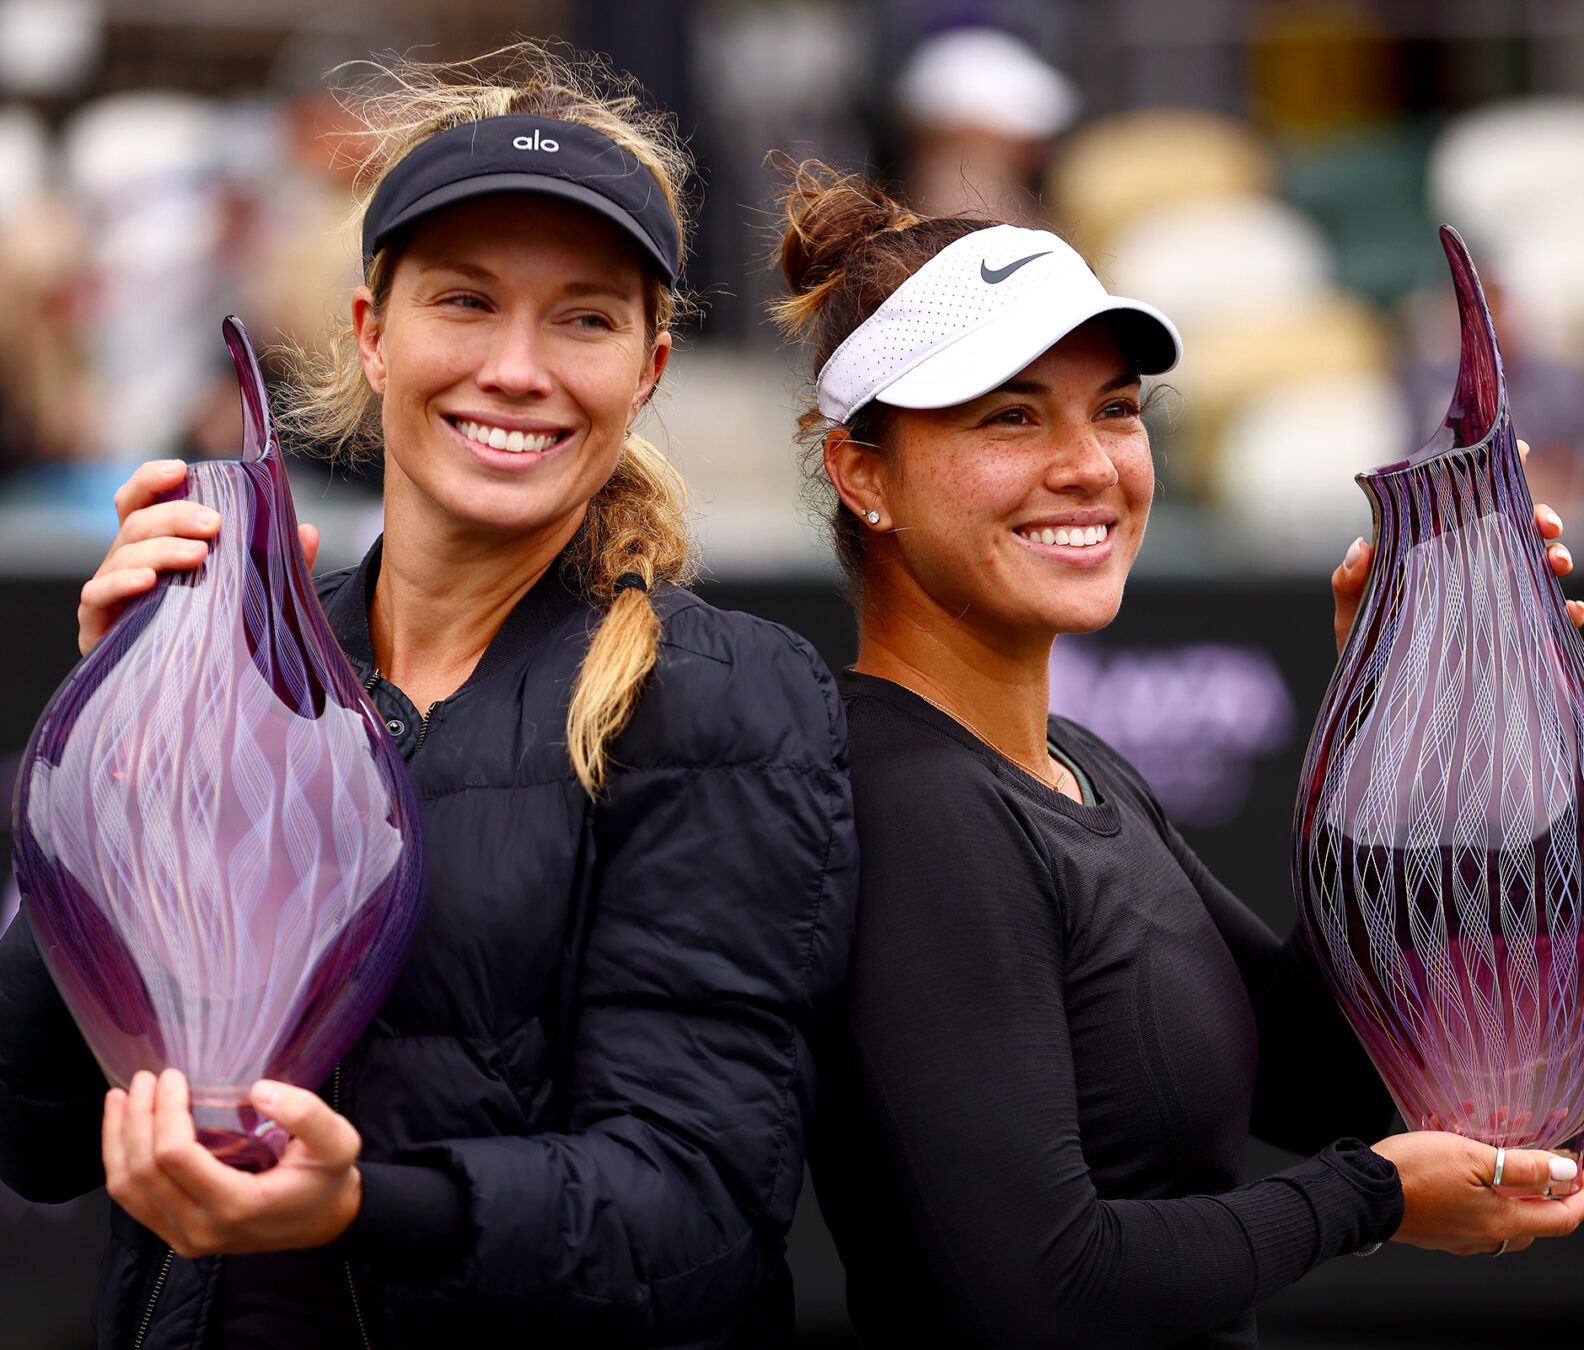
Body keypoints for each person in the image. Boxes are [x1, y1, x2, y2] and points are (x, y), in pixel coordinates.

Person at [0, 45, 858, 1349]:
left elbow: (701, 1207)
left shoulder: (725, 695)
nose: (517, 368)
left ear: (650, 370)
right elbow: (40, 1129)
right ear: (371, 331)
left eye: (583, 315)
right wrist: (130, 745)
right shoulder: (248, 659)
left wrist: (365, 1205)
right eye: (465, 302)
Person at [770, 162, 1584, 1350]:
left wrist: (1413, 709)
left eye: (1114, 407)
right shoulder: (909, 802)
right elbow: (1044, 1285)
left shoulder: (1075, 765)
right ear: (862, 473)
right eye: (1011, 414)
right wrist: (1374, 1201)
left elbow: (1336, 1079)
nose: (1090, 465)